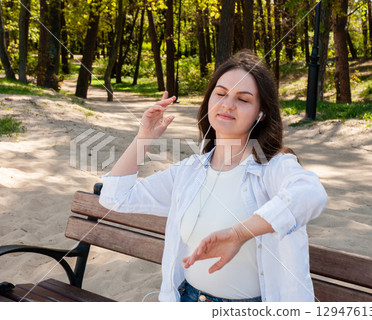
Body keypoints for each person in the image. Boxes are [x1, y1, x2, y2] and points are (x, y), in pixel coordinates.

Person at [99, 50, 328, 302]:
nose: (227, 104)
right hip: (186, 298)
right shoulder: (190, 171)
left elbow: (311, 194)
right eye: (220, 94)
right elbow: (114, 197)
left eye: (243, 99)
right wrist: (144, 136)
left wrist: (239, 234)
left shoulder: (273, 167)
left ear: (260, 113)